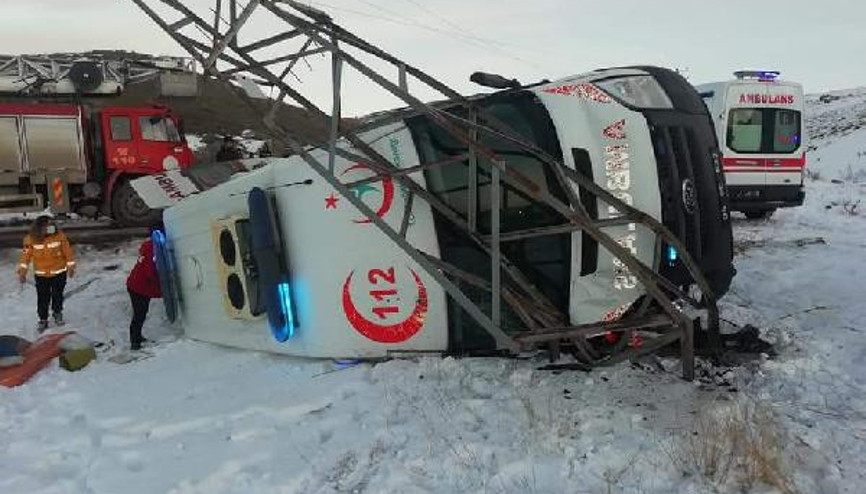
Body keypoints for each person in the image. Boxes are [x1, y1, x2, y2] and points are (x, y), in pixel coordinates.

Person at [16, 215, 75, 332]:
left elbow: (68, 253)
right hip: (41, 276)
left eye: (51, 226)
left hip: (59, 273)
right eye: (46, 227)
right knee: (43, 298)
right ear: (39, 228)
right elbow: (25, 257)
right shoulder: (30, 239)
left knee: (58, 295)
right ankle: (43, 319)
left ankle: (57, 312)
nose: (50, 229)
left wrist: (71, 267)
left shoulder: (60, 237)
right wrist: (22, 273)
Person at [126, 224, 163, 350]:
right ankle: (135, 342)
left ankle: (137, 337)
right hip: (138, 287)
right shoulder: (153, 249)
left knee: (141, 313)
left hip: (134, 283)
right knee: (139, 314)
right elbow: (150, 273)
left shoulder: (148, 245)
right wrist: (161, 290)